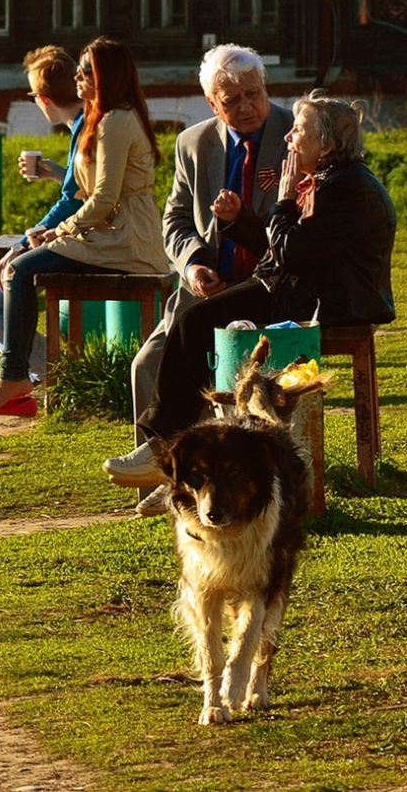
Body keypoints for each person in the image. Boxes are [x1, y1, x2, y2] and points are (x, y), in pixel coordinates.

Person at [112, 90, 396, 479]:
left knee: (195, 323)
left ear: (326, 143)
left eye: (298, 130)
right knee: (196, 321)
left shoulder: (348, 189)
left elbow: (294, 252)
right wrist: (240, 220)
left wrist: (281, 200)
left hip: (328, 304)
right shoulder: (329, 179)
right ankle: (177, 456)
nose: (288, 138)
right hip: (305, 290)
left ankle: (166, 450)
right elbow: (288, 251)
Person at [104, 44, 292, 494]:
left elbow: (299, 228)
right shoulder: (194, 142)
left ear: (265, 87)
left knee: (226, 370)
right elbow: (176, 220)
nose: (247, 107)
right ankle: (167, 481)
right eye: (232, 101)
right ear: (212, 103)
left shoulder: (295, 132)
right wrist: (192, 265)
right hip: (204, 288)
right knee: (145, 363)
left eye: (254, 94)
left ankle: (195, 477)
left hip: (266, 285)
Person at [0, 37, 169, 417]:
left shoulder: (116, 120)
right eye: (79, 69)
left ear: (106, 76)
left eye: (86, 71)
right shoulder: (101, 118)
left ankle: (14, 376)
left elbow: (104, 199)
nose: (76, 77)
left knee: (19, 268)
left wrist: (57, 232)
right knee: (21, 267)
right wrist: (49, 225)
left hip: (125, 240)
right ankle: (17, 376)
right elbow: (82, 190)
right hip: (105, 234)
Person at [0, 45, 85, 357]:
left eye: (33, 97)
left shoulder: (85, 129)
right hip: (87, 237)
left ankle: (41, 369)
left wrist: (22, 244)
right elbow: (84, 190)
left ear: (44, 100)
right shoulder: (86, 124)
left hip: (85, 243)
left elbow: (72, 203)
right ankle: (36, 370)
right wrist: (61, 174)